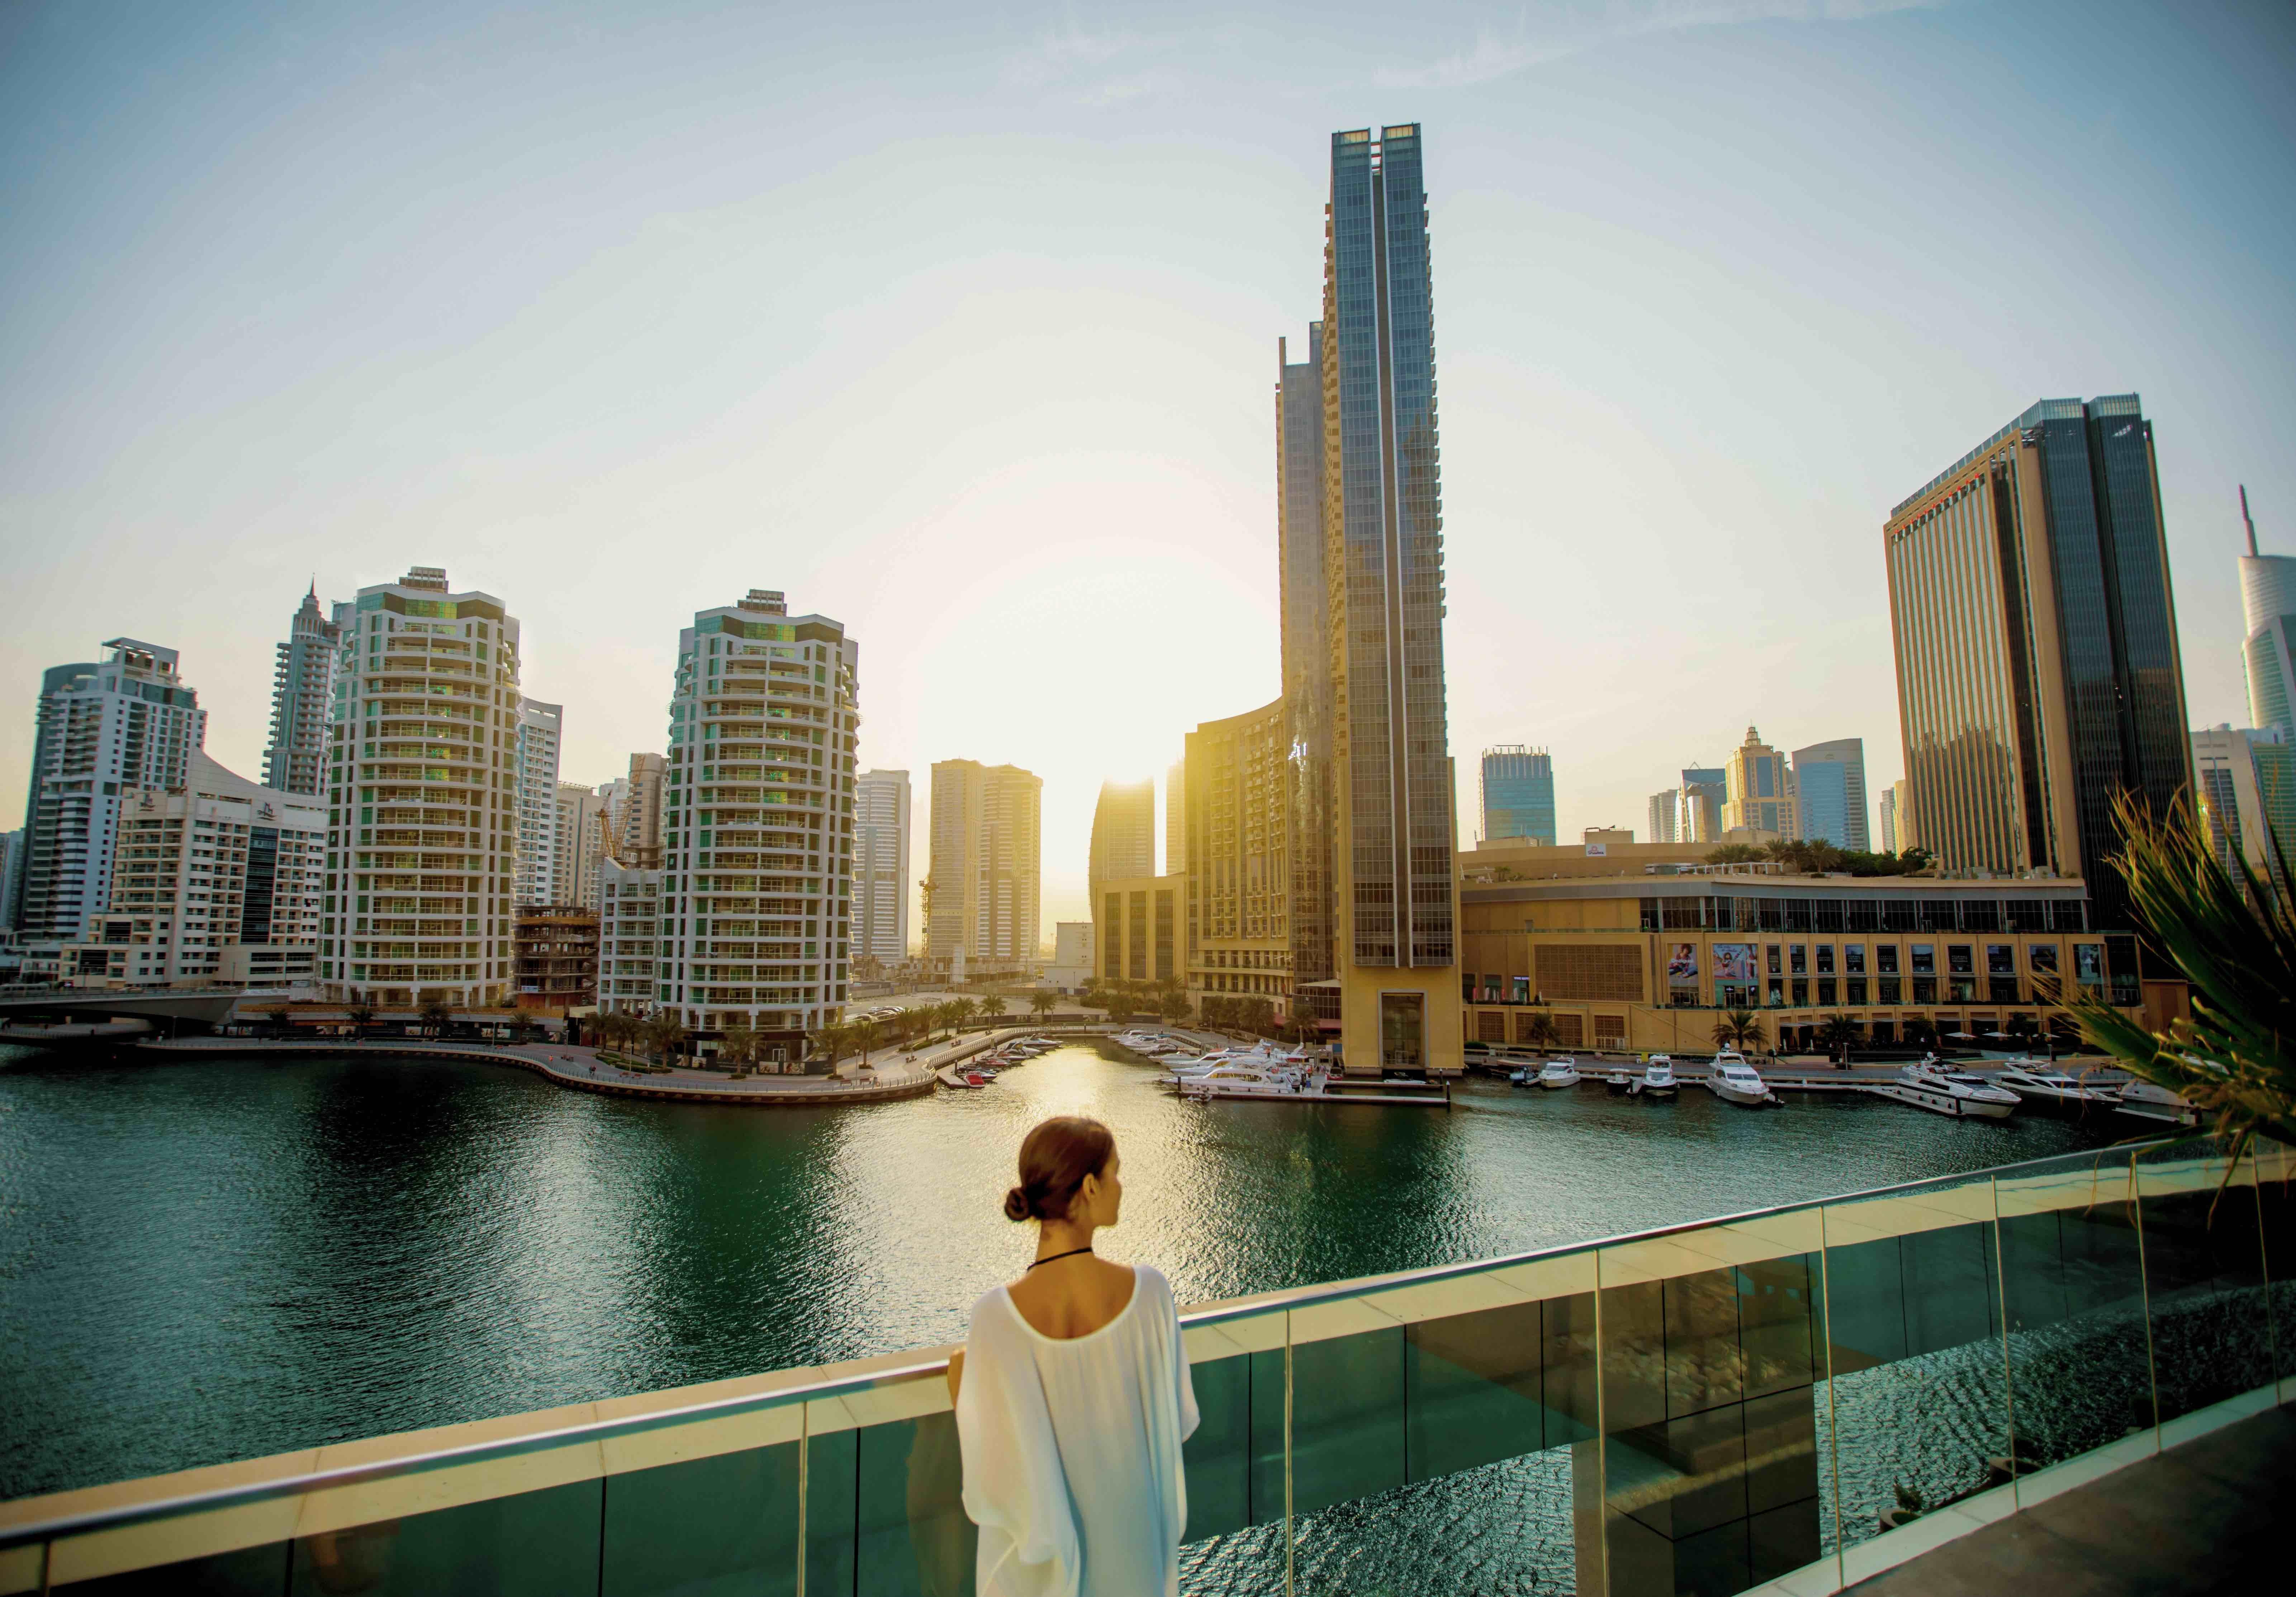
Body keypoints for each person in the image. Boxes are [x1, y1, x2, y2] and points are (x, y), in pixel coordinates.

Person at [949, 1116, 1197, 1597]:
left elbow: (996, 1472)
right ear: (1089, 1187)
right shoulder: (1151, 1296)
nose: (1121, 1186)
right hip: (1135, 1561)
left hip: (1044, 1580)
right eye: (1115, 1173)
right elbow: (1173, 1420)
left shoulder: (994, 1320)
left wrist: (965, 1380)